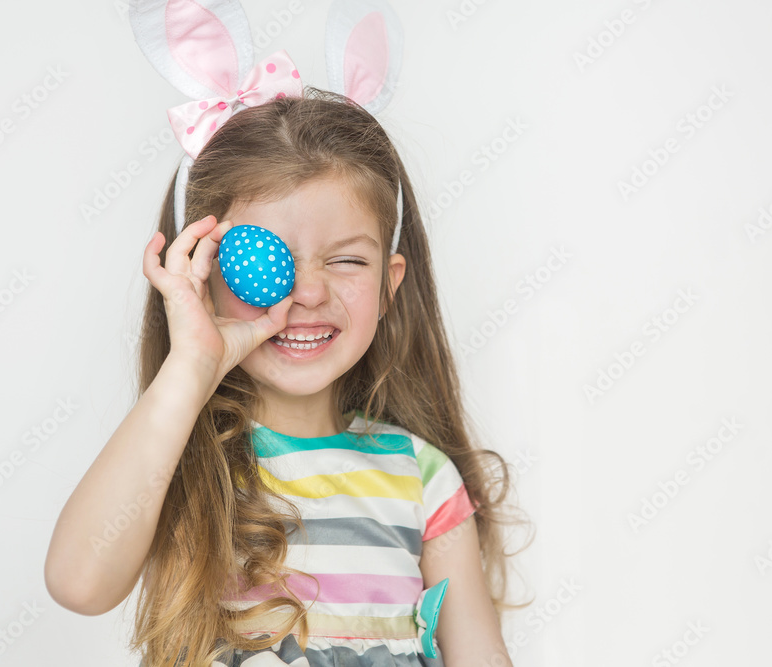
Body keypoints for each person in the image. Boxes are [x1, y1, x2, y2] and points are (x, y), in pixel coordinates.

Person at [45, 88, 528, 667]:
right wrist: (192, 361)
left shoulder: (422, 478)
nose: (306, 293)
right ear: (203, 273)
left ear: (388, 285)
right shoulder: (180, 459)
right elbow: (79, 583)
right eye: (265, 259)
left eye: (347, 259)